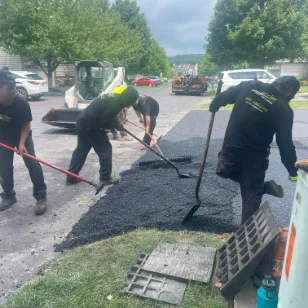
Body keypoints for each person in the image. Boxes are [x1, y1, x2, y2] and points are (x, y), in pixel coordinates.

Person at [209, 76, 300, 225]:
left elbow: (226, 96)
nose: (293, 97)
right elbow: (285, 144)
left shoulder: (248, 86)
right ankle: (259, 188)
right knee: (251, 193)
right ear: (289, 90)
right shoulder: (284, 109)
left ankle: (244, 231)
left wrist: (215, 104)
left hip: (231, 152)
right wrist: (292, 170)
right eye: (294, 93)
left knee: (225, 170)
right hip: (254, 159)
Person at [66, 85, 139, 185]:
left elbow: (107, 114)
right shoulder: (116, 103)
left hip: (82, 121)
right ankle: (105, 178)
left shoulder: (115, 97)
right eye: (132, 101)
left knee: (81, 150)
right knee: (105, 149)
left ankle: (71, 177)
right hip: (91, 125)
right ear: (128, 98)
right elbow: (104, 120)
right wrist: (116, 126)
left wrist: (118, 122)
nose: (132, 104)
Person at [0, 70, 47, 215]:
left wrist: (21, 144)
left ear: (8, 88)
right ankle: (9, 196)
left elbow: (27, 124)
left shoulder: (21, 103)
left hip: (22, 135)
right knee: (3, 166)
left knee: (32, 164)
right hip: (3, 137)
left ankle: (41, 197)